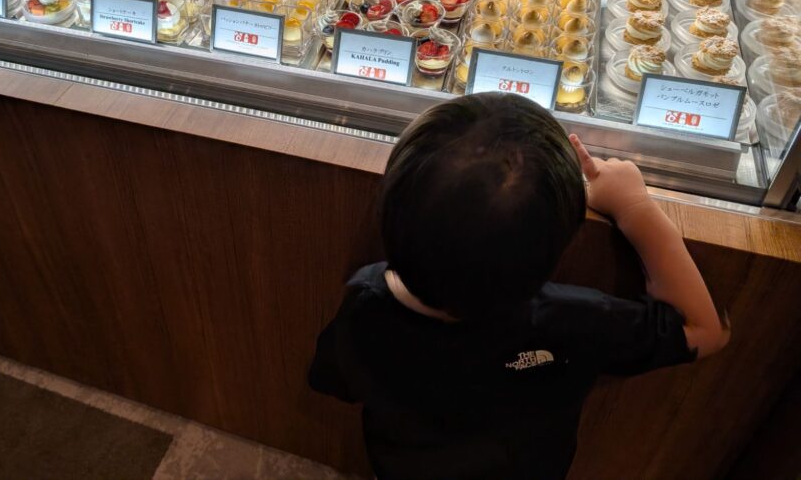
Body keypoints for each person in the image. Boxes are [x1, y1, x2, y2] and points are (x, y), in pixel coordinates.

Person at [308, 92, 729, 480]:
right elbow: (705, 330)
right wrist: (633, 205)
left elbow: (332, 380)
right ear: (561, 246)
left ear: (387, 211)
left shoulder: (364, 306)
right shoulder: (577, 319)